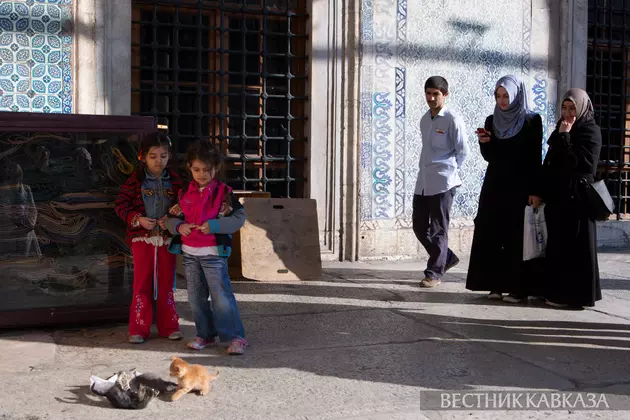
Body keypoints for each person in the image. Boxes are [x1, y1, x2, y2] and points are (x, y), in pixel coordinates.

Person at [465, 74, 544, 303]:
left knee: (516, 236)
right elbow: (491, 157)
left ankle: (518, 288)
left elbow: (534, 159)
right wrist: (484, 144)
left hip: (519, 187)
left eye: (507, 96)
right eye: (498, 96)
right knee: (492, 232)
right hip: (495, 185)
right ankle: (495, 285)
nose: (502, 101)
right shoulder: (493, 120)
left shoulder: (531, 121)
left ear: (517, 95)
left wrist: (534, 190)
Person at [167, 140, 248, 355]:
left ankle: (236, 337)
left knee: (221, 297)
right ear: (190, 168)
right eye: (196, 169)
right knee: (195, 297)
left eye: (206, 170)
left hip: (213, 255)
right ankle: (205, 335)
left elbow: (239, 219)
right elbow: (170, 219)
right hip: (190, 255)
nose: (201, 174)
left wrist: (214, 226)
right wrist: (178, 226)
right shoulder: (184, 193)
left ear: (216, 168)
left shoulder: (224, 194)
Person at [114, 133, 183, 344]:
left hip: (167, 239)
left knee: (166, 284)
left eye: (163, 156)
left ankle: (169, 326)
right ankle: (138, 329)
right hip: (142, 240)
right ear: (143, 157)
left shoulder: (176, 181)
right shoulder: (135, 181)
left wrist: (174, 214)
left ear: (169, 156)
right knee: (142, 284)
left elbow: (186, 203)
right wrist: (138, 220)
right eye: (153, 156)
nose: (158, 161)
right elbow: (120, 206)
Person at [539, 89, 602, 308]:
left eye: (572, 108)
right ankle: (557, 293)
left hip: (578, 200)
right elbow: (551, 161)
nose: (567, 113)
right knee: (558, 246)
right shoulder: (562, 127)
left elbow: (581, 164)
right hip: (559, 197)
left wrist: (566, 136)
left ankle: (575, 297)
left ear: (582, 108)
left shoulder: (590, 132)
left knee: (576, 248)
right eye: (564, 108)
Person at [413, 76, 470, 288]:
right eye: (428, 93)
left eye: (435, 94)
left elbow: (463, 150)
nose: (431, 97)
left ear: (445, 95)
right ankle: (447, 256)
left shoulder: (452, 119)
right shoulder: (424, 119)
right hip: (424, 180)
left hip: (444, 182)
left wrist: (451, 172)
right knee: (419, 226)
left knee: (438, 228)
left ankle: (434, 273)